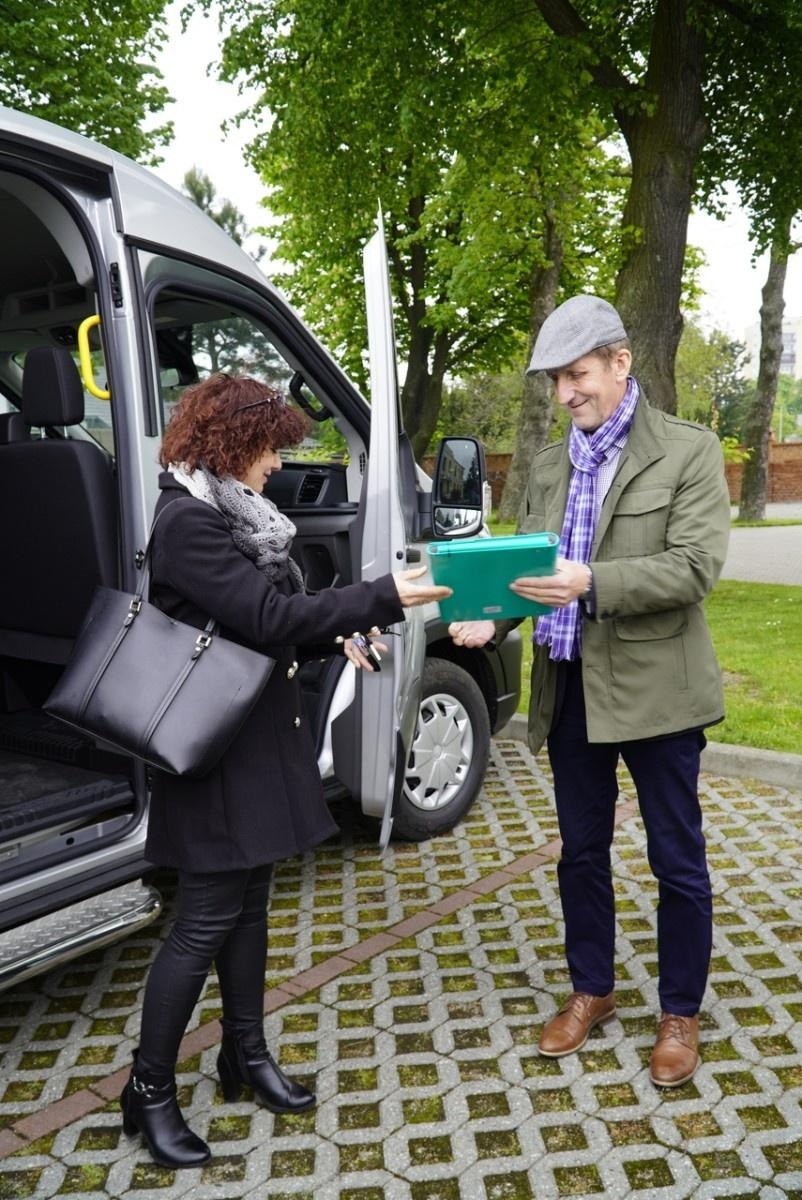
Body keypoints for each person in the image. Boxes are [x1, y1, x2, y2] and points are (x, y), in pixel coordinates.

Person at [120, 373, 451, 1168]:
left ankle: (245, 1054)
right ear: (234, 442)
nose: (277, 463)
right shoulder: (186, 524)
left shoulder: (240, 519)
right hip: (215, 754)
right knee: (201, 920)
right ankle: (149, 1090)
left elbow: (262, 631)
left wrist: (328, 636)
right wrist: (380, 597)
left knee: (253, 907)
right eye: (270, 446)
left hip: (256, 738)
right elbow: (265, 616)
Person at [450, 295, 730, 1087]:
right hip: (568, 687)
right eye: (555, 381)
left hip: (657, 694)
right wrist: (493, 619)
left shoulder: (687, 450)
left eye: (577, 375)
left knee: (676, 859)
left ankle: (680, 1010)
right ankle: (592, 990)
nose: (566, 394)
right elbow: (529, 573)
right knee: (581, 852)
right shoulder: (547, 464)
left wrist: (591, 581)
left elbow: (693, 567)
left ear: (619, 363)